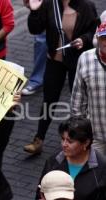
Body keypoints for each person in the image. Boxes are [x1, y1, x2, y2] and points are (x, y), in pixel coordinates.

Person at [23, 0, 98, 154]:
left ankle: (80, 139)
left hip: (76, 61)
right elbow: (34, 29)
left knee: (79, 101)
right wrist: (34, 11)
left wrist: (83, 39)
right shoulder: (50, 4)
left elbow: (94, 31)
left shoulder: (86, 6)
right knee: (48, 99)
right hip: (54, 60)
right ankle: (39, 139)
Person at [36, 117, 106, 200]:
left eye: (70, 141)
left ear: (86, 143)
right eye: (62, 139)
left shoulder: (102, 168)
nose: (64, 144)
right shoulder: (53, 162)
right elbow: (40, 192)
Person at [71, 22, 106, 155]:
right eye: (104, 38)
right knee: (94, 174)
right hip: (95, 135)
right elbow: (78, 99)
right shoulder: (85, 59)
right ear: (97, 39)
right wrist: (79, 131)